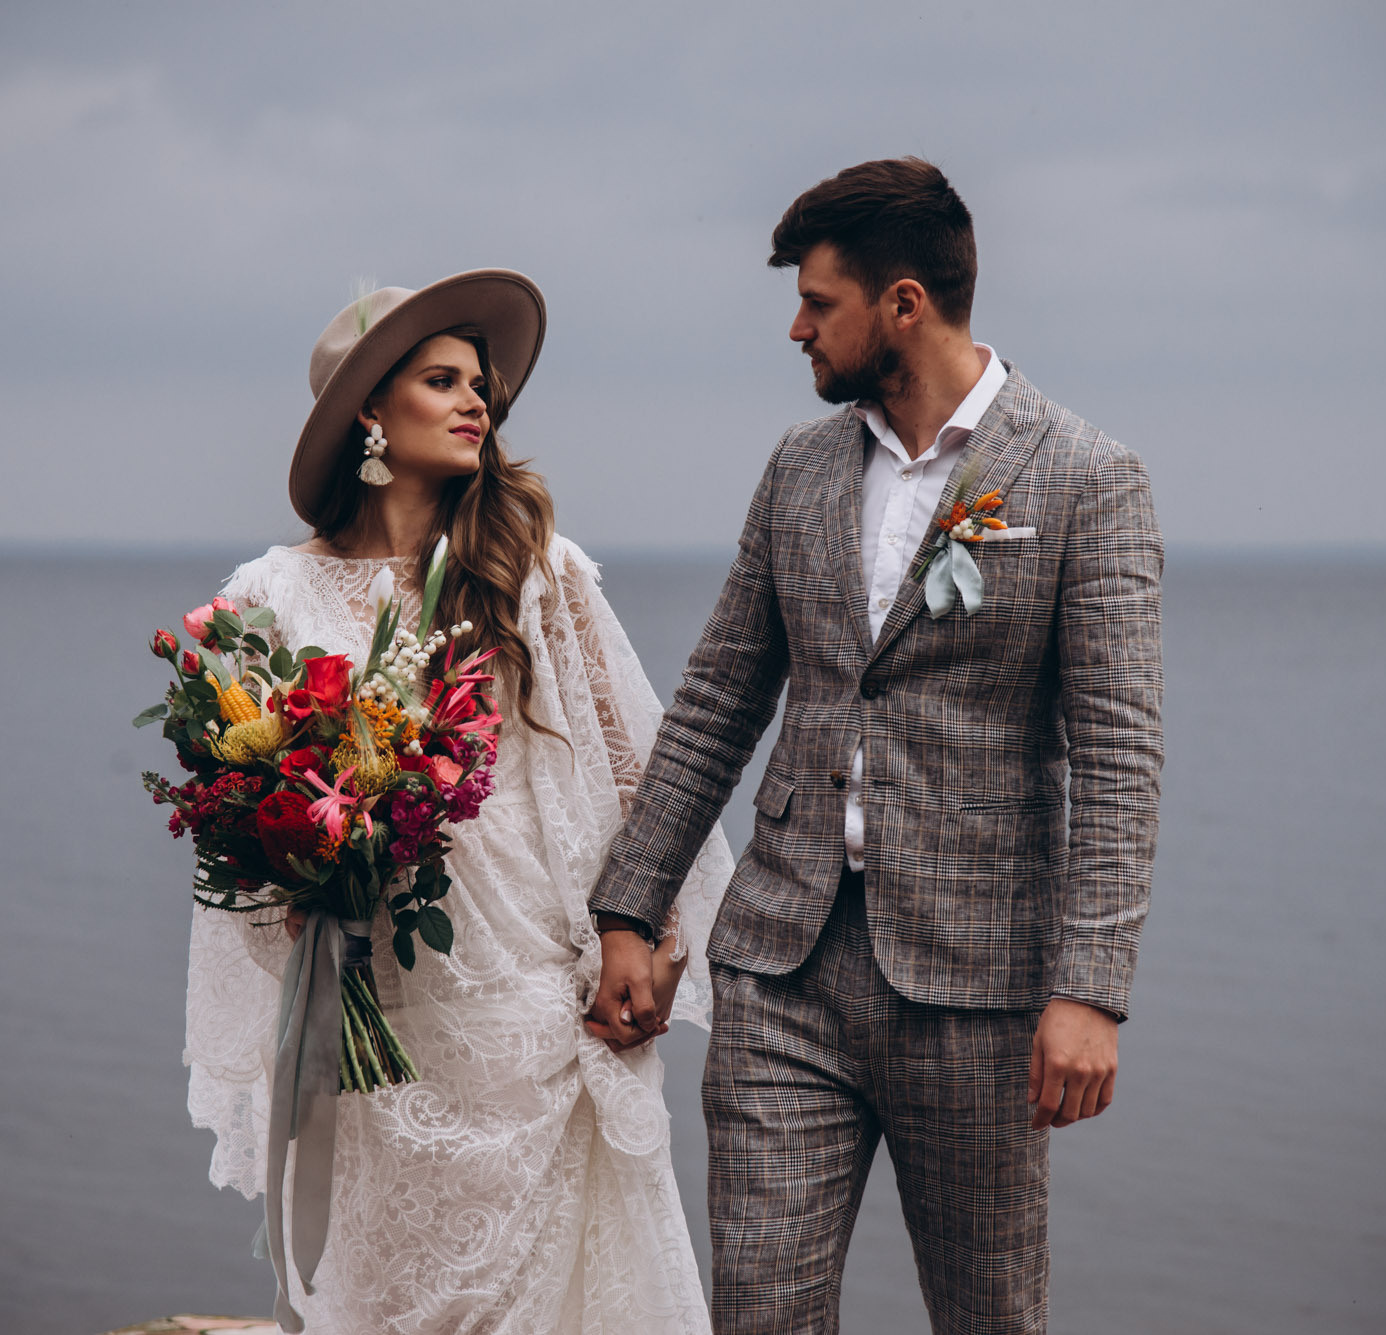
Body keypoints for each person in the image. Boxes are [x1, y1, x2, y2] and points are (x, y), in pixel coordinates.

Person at [586, 159, 1165, 1333]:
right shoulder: (797, 470)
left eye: (816, 301)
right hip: (780, 970)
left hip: (980, 989)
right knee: (759, 1313)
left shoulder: (1085, 477)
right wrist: (628, 910)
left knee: (985, 1313)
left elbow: (1117, 756)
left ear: (901, 304)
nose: (795, 328)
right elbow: (715, 703)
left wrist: (1090, 993)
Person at [182, 270, 731, 1334]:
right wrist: (295, 867)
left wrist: (647, 937)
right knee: (386, 1299)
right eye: (442, 381)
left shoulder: (536, 566)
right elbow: (234, 817)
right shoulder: (267, 598)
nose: (476, 402)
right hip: (367, 1012)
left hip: (526, 1003)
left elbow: (633, 766)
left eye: (481, 386)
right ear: (369, 415)